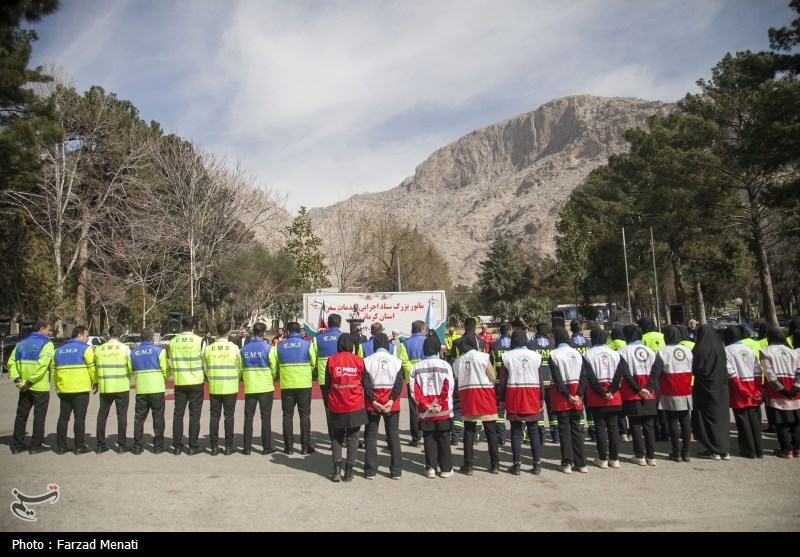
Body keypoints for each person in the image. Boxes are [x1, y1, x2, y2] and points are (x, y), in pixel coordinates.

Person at [322, 333, 368, 482]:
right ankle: (348, 472)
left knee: (336, 438)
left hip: (336, 405)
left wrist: (328, 403)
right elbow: (365, 383)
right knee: (353, 438)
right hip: (355, 405)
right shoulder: (359, 361)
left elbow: (327, 385)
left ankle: (336, 471)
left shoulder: (331, 360)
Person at [453, 332, 500, 475]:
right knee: (491, 431)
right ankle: (495, 465)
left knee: (468, 432)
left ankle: (468, 466)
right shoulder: (484, 357)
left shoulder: (458, 361)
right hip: (485, 395)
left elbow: (456, 376)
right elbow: (492, 376)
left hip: (468, 397)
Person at [499, 328, 544, 475]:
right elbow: (540, 379)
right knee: (534, 431)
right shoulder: (536, 356)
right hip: (532, 393)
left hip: (514, 393)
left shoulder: (507, 356)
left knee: (516, 431)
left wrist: (502, 399)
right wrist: (541, 398)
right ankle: (537, 465)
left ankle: (517, 465)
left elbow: (503, 381)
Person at [269, 321, 317, 455]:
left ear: (287, 331)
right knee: (305, 415)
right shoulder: (308, 344)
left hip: (286, 384)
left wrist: (276, 374)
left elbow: (274, 363)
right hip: (304, 384)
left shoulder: (279, 345)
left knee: (287, 415)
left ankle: (288, 447)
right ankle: (305, 447)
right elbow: (313, 362)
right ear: (299, 331)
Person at [409, 334, 454, 478]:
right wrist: (439, 404)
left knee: (428, 439)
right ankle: (446, 469)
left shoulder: (416, 368)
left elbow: (414, 390)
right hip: (443, 410)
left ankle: (430, 468)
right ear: (437, 349)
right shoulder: (445, 365)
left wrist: (426, 405)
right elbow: (449, 387)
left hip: (425, 412)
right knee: (444, 438)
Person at [363, 332, 404, 479]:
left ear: (374, 345)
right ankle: (396, 471)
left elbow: (365, 384)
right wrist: (391, 400)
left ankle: (370, 471)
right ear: (388, 345)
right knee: (393, 435)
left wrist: (373, 400)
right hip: (391, 402)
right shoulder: (396, 361)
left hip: (372, 402)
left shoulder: (367, 361)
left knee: (371, 436)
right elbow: (399, 383)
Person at [618, 324, 659, 466]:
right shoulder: (650, 351)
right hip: (649, 393)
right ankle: (651, 456)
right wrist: (648, 388)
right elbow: (655, 372)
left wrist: (638, 389)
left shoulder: (623, 352)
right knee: (649, 424)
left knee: (635, 424)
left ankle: (639, 455)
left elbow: (626, 374)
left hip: (632, 393)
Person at [549, 326, 588, 473]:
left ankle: (567, 463)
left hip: (562, 397)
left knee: (564, 430)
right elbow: (584, 376)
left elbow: (557, 379)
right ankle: (581, 463)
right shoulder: (577, 354)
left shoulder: (554, 355)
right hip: (576, 396)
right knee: (577, 429)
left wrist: (568, 396)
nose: (550, 339)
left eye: (552, 337)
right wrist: (578, 394)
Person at [583, 327, 623, 469]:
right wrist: (611, 390)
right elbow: (619, 375)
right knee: (613, 427)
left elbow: (590, 377)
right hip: (614, 395)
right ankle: (615, 458)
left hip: (596, 396)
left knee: (600, 427)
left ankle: (602, 458)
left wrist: (601, 392)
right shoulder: (616, 354)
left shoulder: (587, 355)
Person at [51, 325, 94, 455]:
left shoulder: (58, 351)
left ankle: (61, 447)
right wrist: (96, 382)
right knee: (79, 418)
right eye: (86, 336)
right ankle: (79, 446)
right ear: (79, 335)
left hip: (64, 389)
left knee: (63, 418)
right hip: (80, 389)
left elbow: (53, 371)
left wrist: (58, 386)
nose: (87, 339)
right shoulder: (86, 349)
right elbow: (92, 368)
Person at [653, 325, 693, 463]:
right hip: (685, 387)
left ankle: (676, 452)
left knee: (672, 420)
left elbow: (656, 372)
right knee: (685, 420)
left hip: (669, 388)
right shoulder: (687, 350)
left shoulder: (663, 351)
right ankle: (686, 452)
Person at [691, 324, 731, 460]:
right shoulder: (720, 348)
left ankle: (713, 448)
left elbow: (695, 368)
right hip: (721, 386)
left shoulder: (699, 349)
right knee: (721, 418)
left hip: (705, 386)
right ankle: (723, 449)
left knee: (706, 417)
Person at [723, 326, 763, 459]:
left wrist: (742, 390)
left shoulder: (726, 350)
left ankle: (748, 449)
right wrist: (757, 390)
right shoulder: (749, 349)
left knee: (742, 420)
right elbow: (757, 370)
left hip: (738, 387)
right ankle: (759, 449)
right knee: (754, 420)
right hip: (752, 385)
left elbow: (730, 372)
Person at [760, 326, 800, 459]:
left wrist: (781, 389)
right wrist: (795, 387)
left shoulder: (765, 351)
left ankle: (786, 450)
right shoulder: (793, 352)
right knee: (796, 421)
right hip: (795, 392)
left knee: (781, 422)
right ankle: (798, 449)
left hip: (777, 393)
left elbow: (769, 373)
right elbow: (799, 371)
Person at [128, 327, 170, 455]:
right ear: (152, 338)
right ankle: (158, 446)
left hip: (141, 388)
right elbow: (167, 370)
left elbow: (131, 370)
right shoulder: (159, 351)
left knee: (139, 419)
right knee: (158, 418)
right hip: (156, 388)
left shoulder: (133, 352)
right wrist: (162, 379)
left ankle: (137, 447)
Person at [169, 315, 205, 456]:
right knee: (194, 415)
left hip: (180, 381)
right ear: (194, 326)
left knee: (178, 414)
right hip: (196, 381)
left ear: (181, 326)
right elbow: (204, 360)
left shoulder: (173, 341)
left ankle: (177, 446)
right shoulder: (200, 340)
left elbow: (171, 359)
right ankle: (193, 446)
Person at [94, 324, 132, 454]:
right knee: (121, 416)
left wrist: (95, 382)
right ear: (121, 335)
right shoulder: (125, 348)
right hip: (121, 385)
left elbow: (95, 367)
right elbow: (130, 366)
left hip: (105, 386)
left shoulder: (100, 349)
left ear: (109, 334)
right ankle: (122, 445)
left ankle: (100, 444)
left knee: (102, 415)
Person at [240, 322, 277, 455]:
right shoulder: (269, 347)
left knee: (248, 418)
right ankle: (267, 447)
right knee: (265, 417)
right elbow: (273, 366)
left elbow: (240, 367)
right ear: (264, 332)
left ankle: (247, 448)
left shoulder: (244, 349)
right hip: (265, 386)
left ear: (252, 332)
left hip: (250, 386)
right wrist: (271, 376)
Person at [313, 314, 344, 439]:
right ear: (340, 324)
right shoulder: (344, 336)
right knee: (343, 405)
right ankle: (343, 435)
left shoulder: (318, 338)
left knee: (328, 408)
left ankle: (334, 438)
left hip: (324, 379)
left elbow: (313, 359)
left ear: (328, 324)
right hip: (341, 377)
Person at [399, 320, 428, 447]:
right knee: (428, 406)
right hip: (427, 379)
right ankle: (428, 436)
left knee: (414, 410)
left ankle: (416, 439)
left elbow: (404, 361)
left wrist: (414, 372)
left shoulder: (405, 343)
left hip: (412, 380)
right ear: (422, 329)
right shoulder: (428, 341)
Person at [531, 323, 558, 444]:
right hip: (551, 382)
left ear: (536, 331)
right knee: (552, 409)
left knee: (539, 409)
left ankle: (541, 436)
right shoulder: (553, 346)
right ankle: (555, 436)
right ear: (547, 333)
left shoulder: (530, 345)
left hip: (537, 383)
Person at [489, 323, 513, 446]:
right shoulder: (515, 345)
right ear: (509, 331)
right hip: (513, 383)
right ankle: (521, 436)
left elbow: (492, 366)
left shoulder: (494, 345)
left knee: (500, 411)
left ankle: (501, 437)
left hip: (498, 383)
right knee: (515, 409)